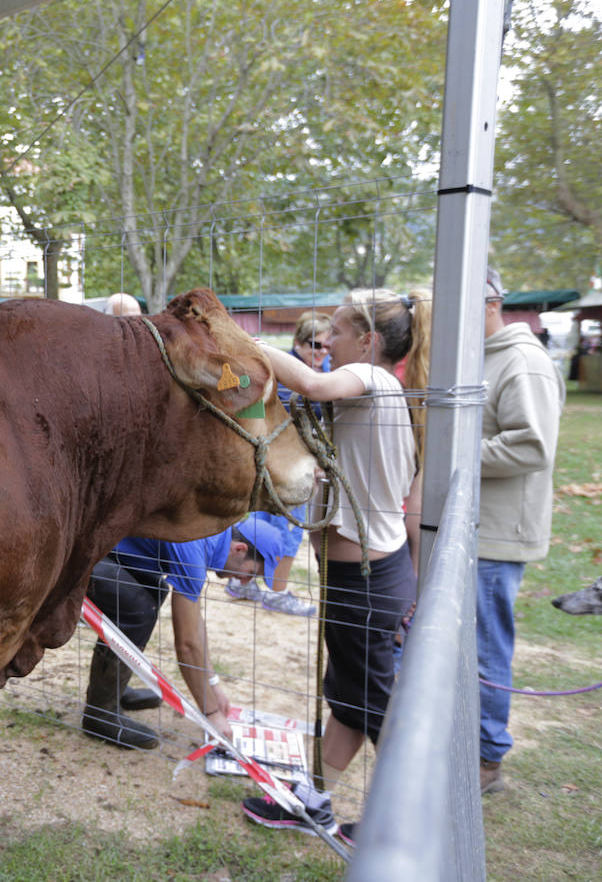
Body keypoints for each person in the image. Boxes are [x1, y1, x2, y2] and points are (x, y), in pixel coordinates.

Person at [240, 286, 431, 840]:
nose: (326, 340)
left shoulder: (372, 379)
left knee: (376, 709)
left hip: (365, 583)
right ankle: (313, 801)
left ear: (369, 341)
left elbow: (312, 382)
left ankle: (396, 825)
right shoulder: (384, 394)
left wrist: (243, 344)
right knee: (349, 700)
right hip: (370, 575)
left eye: (339, 332)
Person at [82, 516, 291, 749]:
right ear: (239, 549)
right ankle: (100, 714)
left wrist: (213, 684)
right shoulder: (196, 547)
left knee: (154, 591)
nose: (244, 583)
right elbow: (187, 645)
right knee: (137, 608)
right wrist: (212, 714)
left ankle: (111, 691)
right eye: (250, 573)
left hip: (102, 544)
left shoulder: (209, 535)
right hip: (79, 548)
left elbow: (195, 623)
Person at [476, 267, 563, 794]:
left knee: (486, 648)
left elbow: (532, 446)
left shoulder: (523, 362)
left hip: (498, 534)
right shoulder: (480, 358)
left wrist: (448, 452)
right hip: (472, 528)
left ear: (490, 303)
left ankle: (486, 760)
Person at [228, 311, 331, 616]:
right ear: (298, 342)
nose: (322, 352)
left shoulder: (317, 370)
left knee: (270, 526)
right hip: (279, 466)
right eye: (316, 344)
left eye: (327, 347)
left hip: (285, 464)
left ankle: (246, 582)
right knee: (283, 529)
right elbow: (258, 421)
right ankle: (276, 591)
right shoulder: (284, 376)